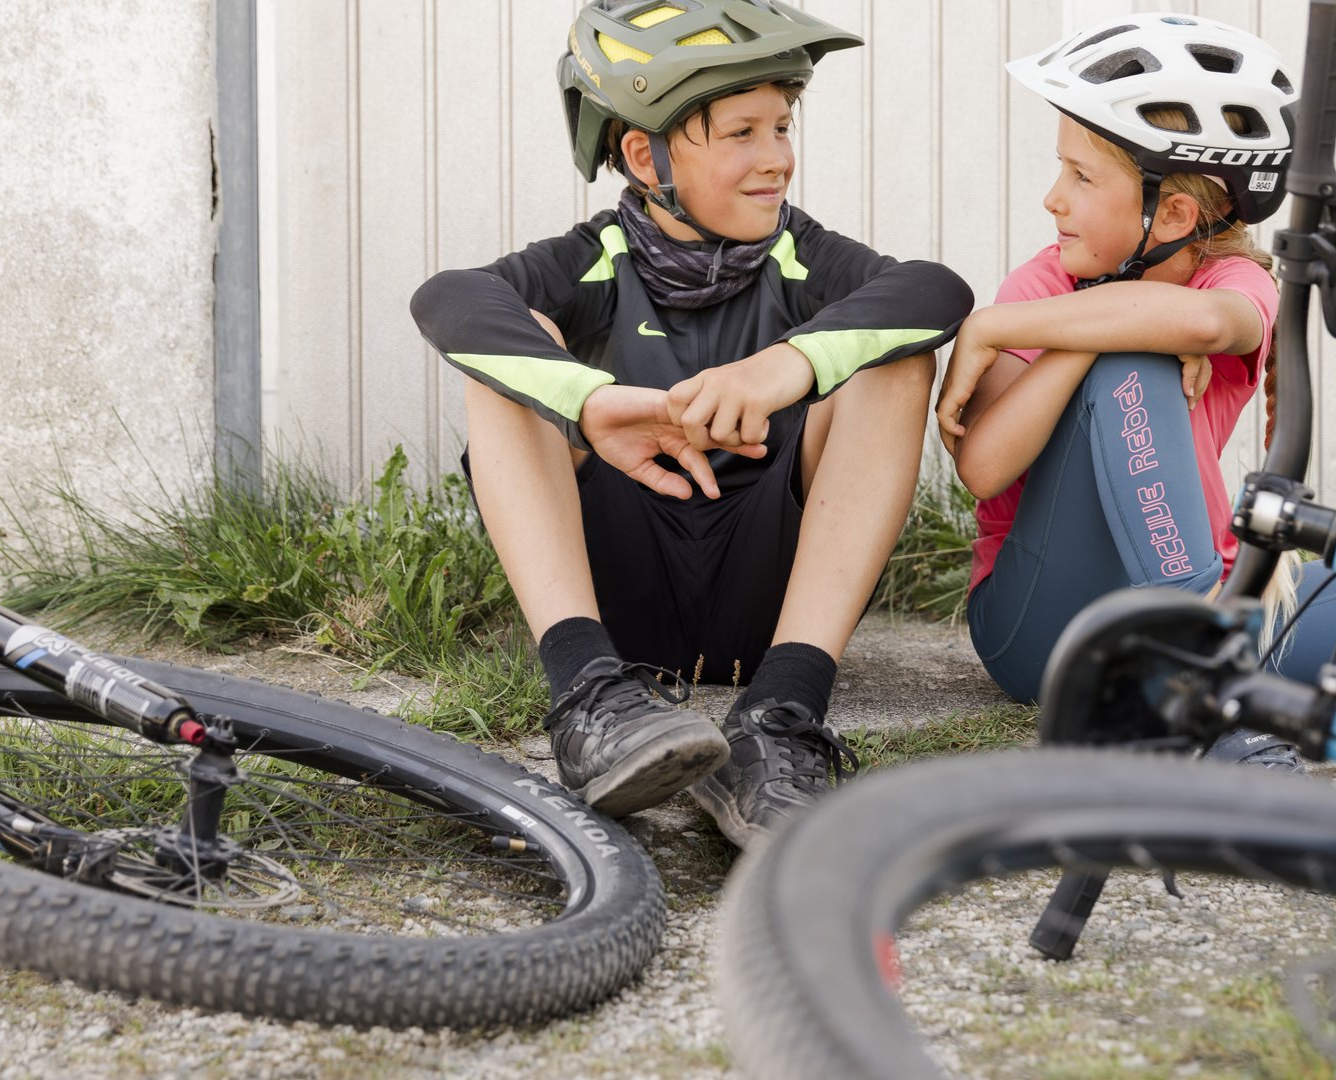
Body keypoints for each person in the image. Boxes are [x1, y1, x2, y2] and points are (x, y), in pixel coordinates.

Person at [410, 0, 973, 848]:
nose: (778, 158)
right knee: (513, 354)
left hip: (771, 602)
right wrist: (590, 402)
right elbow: (447, 297)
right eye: (742, 132)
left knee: (894, 356)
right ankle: (589, 698)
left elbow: (936, 289)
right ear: (646, 154)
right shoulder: (590, 260)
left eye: (782, 127)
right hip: (616, 594)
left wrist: (784, 365)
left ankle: (781, 721)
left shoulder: (805, 258)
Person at [940, 14, 1336, 764]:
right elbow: (983, 467)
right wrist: (1090, 333)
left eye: (1080, 176)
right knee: (1130, 363)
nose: (1052, 198)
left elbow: (1207, 322)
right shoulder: (1041, 286)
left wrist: (1043, 326)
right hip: (1041, 626)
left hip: (1230, 605)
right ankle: (1207, 715)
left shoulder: (1237, 280)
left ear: (1174, 213)